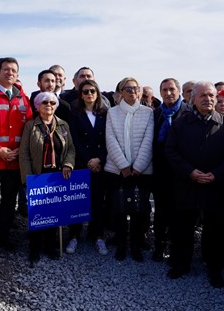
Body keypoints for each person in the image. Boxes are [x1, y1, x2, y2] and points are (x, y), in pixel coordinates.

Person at [165, 81, 224, 288]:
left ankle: (214, 268)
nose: (208, 99)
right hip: (187, 183)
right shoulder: (180, 123)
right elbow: (171, 151)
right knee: (183, 227)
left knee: (214, 230)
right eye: (203, 96)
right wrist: (190, 172)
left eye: (212, 96)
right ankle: (181, 264)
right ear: (193, 99)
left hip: (214, 185)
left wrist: (215, 175)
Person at [0, 57, 32, 254]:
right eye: (6, 70)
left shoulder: (23, 99)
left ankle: (3, 237)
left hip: (14, 162)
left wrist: (20, 149)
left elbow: (28, 127)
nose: (10, 73)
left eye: (14, 70)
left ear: (17, 75)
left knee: (10, 202)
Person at [20, 91, 75, 266]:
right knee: (37, 214)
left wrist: (68, 164)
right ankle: (34, 248)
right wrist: (28, 179)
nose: (49, 105)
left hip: (58, 175)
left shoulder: (63, 125)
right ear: (37, 105)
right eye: (45, 102)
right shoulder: (30, 126)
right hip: (38, 175)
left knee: (54, 213)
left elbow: (71, 149)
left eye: (52, 102)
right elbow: (24, 154)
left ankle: (51, 246)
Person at [105, 78, 154, 261]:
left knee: (138, 211)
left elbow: (148, 141)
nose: (132, 91)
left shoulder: (148, 112)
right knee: (118, 209)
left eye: (136, 88)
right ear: (121, 92)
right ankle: (121, 244)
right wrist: (124, 165)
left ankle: (135, 244)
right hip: (117, 169)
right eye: (128, 88)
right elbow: (110, 139)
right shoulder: (112, 112)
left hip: (141, 171)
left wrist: (138, 167)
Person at [67, 80, 109, 256]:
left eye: (92, 91)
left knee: (98, 201)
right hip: (81, 163)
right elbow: (74, 139)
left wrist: (98, 159)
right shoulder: (74, 113)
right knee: (78, 201)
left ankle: (97, 235)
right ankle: (74, 235)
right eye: (85, 91)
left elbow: (108, 138)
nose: (89, 94)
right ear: (81, 94)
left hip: (100, 164)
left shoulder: (105, 113)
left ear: (97, 93)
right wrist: (88, 161)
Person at [151, 78, 189, 261]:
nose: (168, 93)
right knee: (160, 212)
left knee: (178, 214)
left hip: (181, 172)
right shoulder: (156, 113)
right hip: (160, 171)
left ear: (179, 90)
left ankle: (176, 250)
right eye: (164, 90)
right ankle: (159, 245)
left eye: (172, 89)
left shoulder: (188, 112)